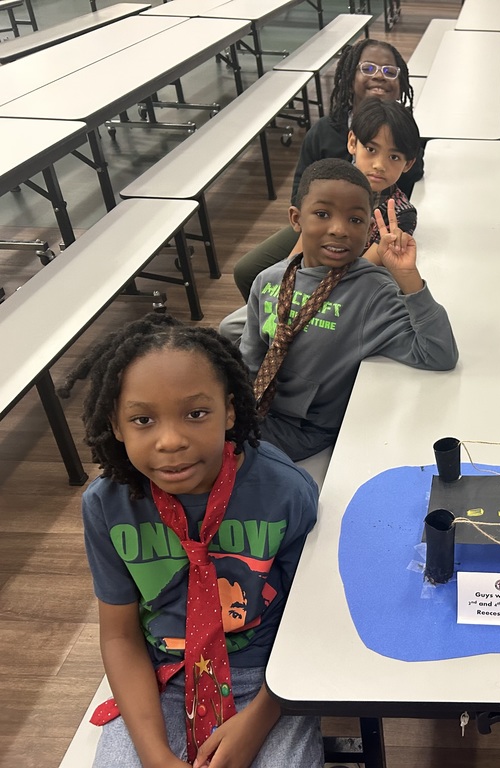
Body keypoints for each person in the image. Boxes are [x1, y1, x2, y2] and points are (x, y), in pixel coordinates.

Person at [63, 313, 322, 767]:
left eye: (196, 414)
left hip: (266, 678)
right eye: (143, 420)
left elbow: (312, 621)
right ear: (116, 425)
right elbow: (121, 636)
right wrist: (154, 753)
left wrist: (261, 717)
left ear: (230, 410)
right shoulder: (106, 506)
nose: (170, 440)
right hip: (161, 677)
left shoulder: (285, 491)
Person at [237, 157, 459, 461]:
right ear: (296, 219)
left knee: (210, 450)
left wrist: (408, 277)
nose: (339, 230)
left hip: (304, 427)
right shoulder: (269, 280)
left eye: (354, 220)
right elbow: (249, 359)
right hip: (255, 411)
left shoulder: (371, 292)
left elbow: (438, 354)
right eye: (322, 214)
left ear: (369, 229)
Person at [232, 38, 421, 299]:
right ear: (353, 142)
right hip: (319, 212)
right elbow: (301, 192)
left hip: (369, 229)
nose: (379, 77)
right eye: (368, 68)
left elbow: (361, 267)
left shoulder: (402, 130)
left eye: (389, 71)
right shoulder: (324, 130)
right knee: (250, 274)